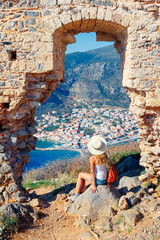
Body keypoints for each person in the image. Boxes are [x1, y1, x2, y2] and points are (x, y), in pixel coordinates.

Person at [68, 135, 108, 201]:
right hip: (104, 179)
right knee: (86, 182)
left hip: (98, 180)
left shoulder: (93, 158)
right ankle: (80, 194)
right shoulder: (104, 155)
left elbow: (92, 172)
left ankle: (75, 195)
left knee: (80, 174)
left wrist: (94, 185)